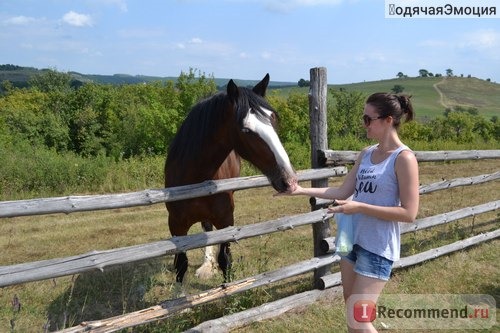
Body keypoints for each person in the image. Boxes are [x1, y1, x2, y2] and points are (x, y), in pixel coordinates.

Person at [279, 92, 419, 332]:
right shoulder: (365, 154)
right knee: (352, 314)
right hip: (351, 241)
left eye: (368, 119)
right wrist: (301, 190)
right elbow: (344, 191)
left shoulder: (403, 158)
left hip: (377, 247)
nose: (363, 123)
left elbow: (409, 213)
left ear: (387, 120)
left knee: (360, 319)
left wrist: (360, 207)